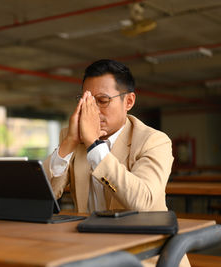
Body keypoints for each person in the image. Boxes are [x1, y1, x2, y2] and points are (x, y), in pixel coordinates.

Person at [42, 59, 189, 267]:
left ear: (128, 102)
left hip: (147, 256)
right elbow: (44, 195)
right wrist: (69, 142)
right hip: (90, 251)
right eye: (86, 101)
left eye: (102, 101)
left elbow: (143, 202)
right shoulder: (73, 137)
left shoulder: (154, 140)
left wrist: (94, 144)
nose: (92, 110)